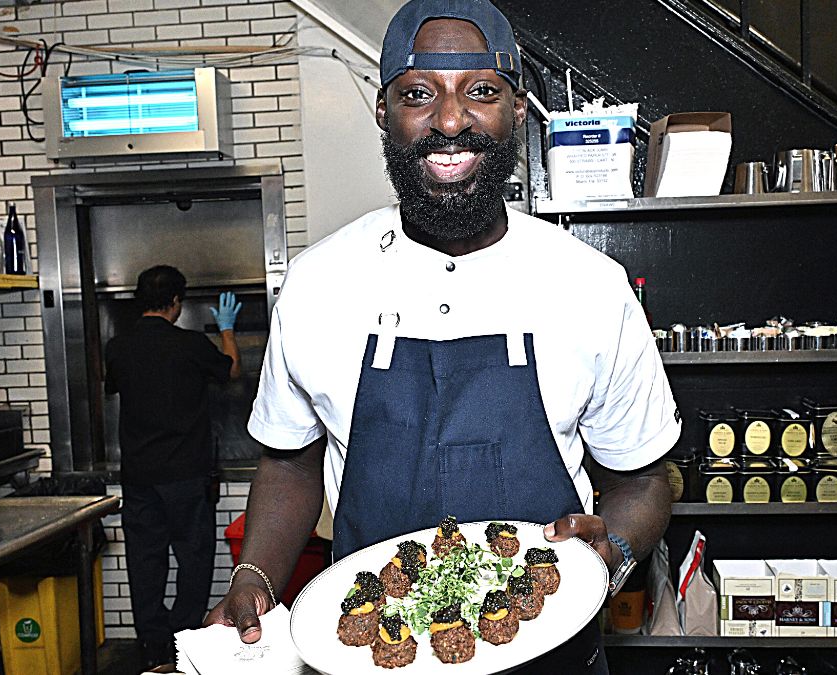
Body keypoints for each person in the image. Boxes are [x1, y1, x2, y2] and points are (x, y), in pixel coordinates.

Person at [206, 1, 680, 671]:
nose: (451, 120)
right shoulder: (318, 286)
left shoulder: (590, 287)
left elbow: (642, 480)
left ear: (518, 112)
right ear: (383, 113)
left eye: (481, 91)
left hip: (551, 654)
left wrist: (617, 551)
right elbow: (288, 461)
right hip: (373, 654)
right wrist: (253, 575)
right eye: (418, 94)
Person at [104, 265, 243, 667]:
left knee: (145, 562)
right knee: (193, 559)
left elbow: (114, 385)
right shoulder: (190, 344)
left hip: (140, 477)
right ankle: (184, 640)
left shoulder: (118, 346)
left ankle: (152, 645)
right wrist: (227, 330)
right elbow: (231, 370)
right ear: (176, 303)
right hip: (187, 475)